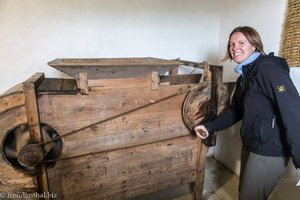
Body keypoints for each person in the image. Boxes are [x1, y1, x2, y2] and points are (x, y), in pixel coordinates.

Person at [194, 26, 300, 200]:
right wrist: (209, 126)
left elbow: (293, 109)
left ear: (254, 46)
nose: (235, 48)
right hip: (252, 145)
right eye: (231, 44)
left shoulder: (268, 70)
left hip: (269, 150)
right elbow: (236, 110)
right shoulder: (245, 74)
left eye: (241, 42)